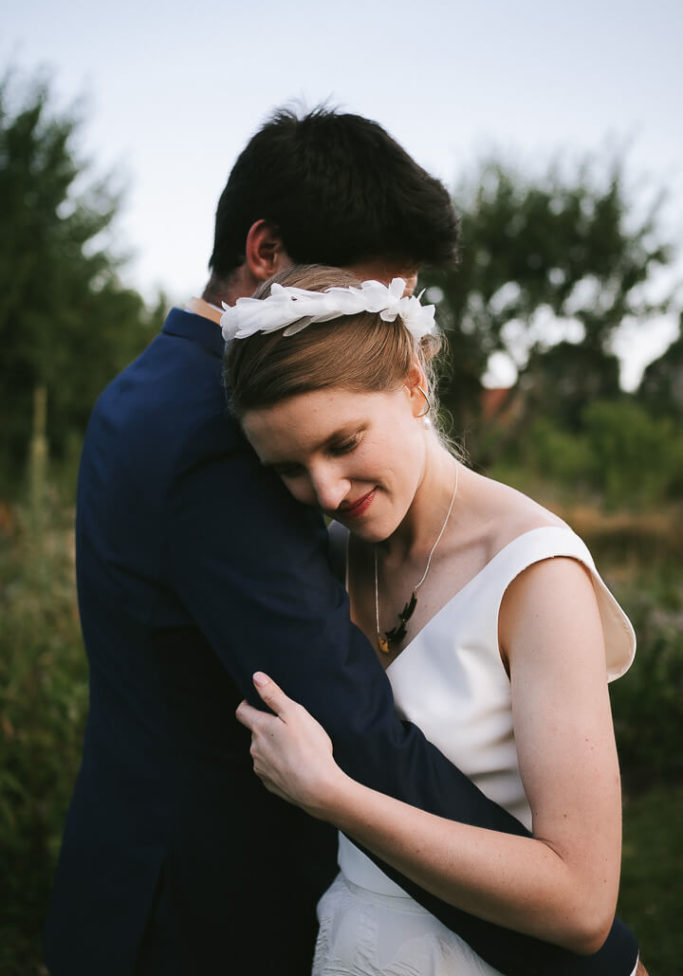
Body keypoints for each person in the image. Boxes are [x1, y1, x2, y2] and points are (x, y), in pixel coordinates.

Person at [43, 106, 640, 976]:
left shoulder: (141, 389)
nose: (386, 314)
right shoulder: (219, 427)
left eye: (399, 299)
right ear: (266, 254)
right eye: (368, 289)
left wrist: (583, 931)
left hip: (139, 883)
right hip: (206, 918)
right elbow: (352, 723)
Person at [227, 264, 648, 976]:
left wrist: (331, 795)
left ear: (413, 387)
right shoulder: (330, 559)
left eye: (342, 443)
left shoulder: (535, 573)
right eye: (288, 469)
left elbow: (581, 906)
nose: (324, 491)